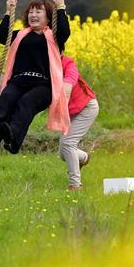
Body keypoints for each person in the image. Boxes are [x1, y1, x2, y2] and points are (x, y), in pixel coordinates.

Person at [0, 0, 71, 153]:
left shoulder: (54, 37)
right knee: (7, 97)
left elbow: (64, 32)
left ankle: (13, 138)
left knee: (26, 102)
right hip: (19, 81)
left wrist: (61, 6)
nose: (33, 15)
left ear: (48, 17)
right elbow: (1, 37)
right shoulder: (20, 35)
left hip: (43, 85)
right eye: (31, 12)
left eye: (38, 12)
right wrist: (8, 12)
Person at [59, 55, 99, 190]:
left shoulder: (68, 63)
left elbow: (70, 77)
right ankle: (83, 157)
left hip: (87, 108)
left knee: (67, 144)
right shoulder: (44, 66)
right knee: (63, 153)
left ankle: (75, 185)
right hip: (70, 112)